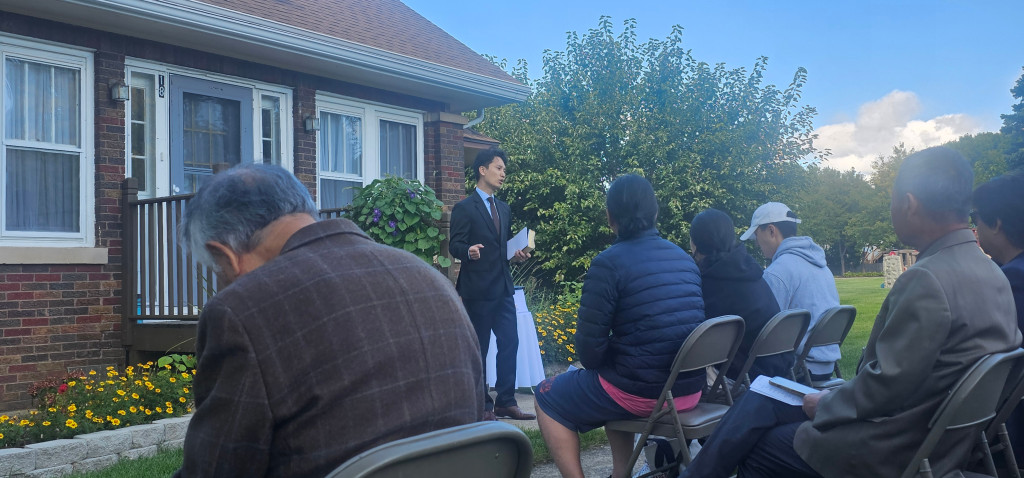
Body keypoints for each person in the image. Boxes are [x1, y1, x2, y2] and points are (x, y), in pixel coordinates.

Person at [679, 146, 1022, 478]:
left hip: (888, 447)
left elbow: (885, 387)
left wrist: (825, 404)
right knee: (761, 399)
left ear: (908, 204)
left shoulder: (928, 279)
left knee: (760, 444)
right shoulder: (992, 272)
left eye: (891, 201)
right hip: (937, 441)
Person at [174, 164, 483, 477]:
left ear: (225, 255)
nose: (223, 281)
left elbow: (215, 470)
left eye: (218, 271)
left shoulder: (242, 311)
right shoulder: (434, 282)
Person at [534, 175, 706, 478]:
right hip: (689, 390)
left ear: (609, 217)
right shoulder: (684, 259)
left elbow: (589, 353)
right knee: (613, 376)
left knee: (545, 395)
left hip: (641, 394)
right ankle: (619, 474)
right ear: (655, 212)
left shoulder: (608, 263)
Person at [449, 147, 534, 421]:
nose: (503, 174)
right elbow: (454, 244)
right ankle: (482, 405)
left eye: (504, 170)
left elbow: (503, 248)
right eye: (498, 168)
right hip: (477, 290)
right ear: (482, 170)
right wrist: (467, 251)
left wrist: (516, 255)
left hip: (504, 289)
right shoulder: (464, 208)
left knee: (510, 342)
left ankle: (506, 402)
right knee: (481, 348)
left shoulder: (504, 209)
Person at [739, 202, 840, 382]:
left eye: (757, 235)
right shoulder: (822, 266)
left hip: (797, 370)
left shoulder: (778, 272)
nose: (756, 243)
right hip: (825, 366)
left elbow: (764, 330)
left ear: (771, 231)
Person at [690, 208, 785, 381]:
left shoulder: (707, 285)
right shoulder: (751, 272)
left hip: (744, 376)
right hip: (778, 368)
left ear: (695, 244)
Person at [972, 173, 1024, 463]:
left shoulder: (1013, 279)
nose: (975, 228)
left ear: (997, 223)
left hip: (1010, 432)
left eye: (976, 218)